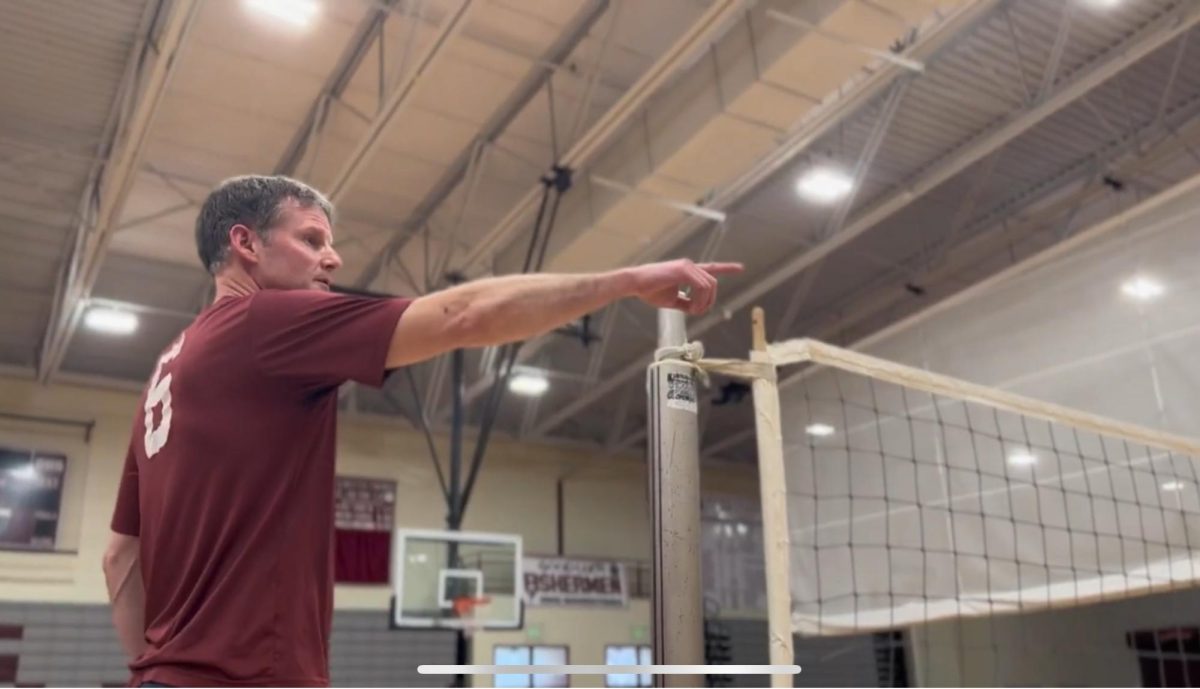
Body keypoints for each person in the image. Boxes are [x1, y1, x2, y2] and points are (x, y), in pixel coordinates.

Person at [101, 175, 741, 687]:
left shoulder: (169, 370)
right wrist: (626, 281)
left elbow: (119, 560)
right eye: (312, 238)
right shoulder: (264, 322)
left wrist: (152, 671)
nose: (334, 256)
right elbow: (463, 315)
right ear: (246, 243)